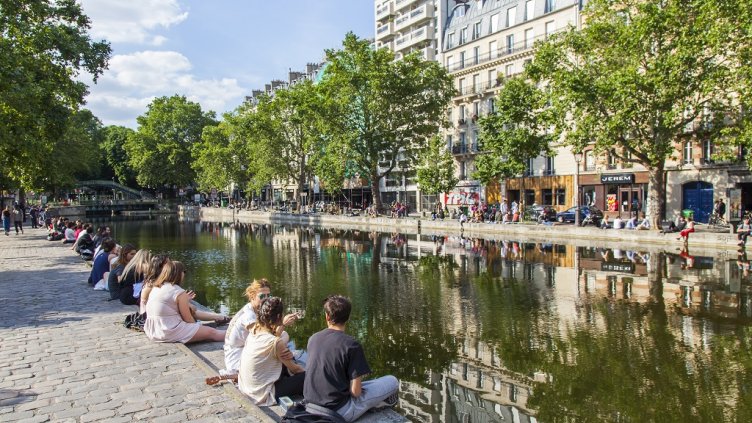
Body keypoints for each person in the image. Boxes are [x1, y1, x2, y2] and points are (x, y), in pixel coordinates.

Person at [304, 295, 399, 422]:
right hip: (337, 412)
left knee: (368, 384)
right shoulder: (352, 345)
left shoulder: (313, 338)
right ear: (348, 317)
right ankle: (378, 405)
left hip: (310, 406)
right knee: (392, 381)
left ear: (327, 316)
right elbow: (355, 393)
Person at [238, 297, 305, 405]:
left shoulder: (254, 331)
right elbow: (296, 370)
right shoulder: (276, 342)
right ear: (279, 316)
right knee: (306, 378)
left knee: (286, 361)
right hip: (263, 393)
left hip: (247, 387)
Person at [224, 279, 298, 376]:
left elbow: (267, 335)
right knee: (279, 340)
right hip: (238, 360)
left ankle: (286, 359)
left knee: (284, 335)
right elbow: (263, 340)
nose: (266, 299)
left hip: (249, 350)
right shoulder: (248, 316)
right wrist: (282, 324)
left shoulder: (256, 310)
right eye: (262, 296)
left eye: (269, 296)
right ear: (252, 296)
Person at [144, 260, 226, 344]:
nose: (184, 274)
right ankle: (238, 336)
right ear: (179, 273)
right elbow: (188, 319)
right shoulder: (178, 291)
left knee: (204, 331)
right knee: (212, 332)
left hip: (153, 331)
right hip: (168, 331)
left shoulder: (156, 288)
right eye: (184, 272)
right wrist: (197, 328)